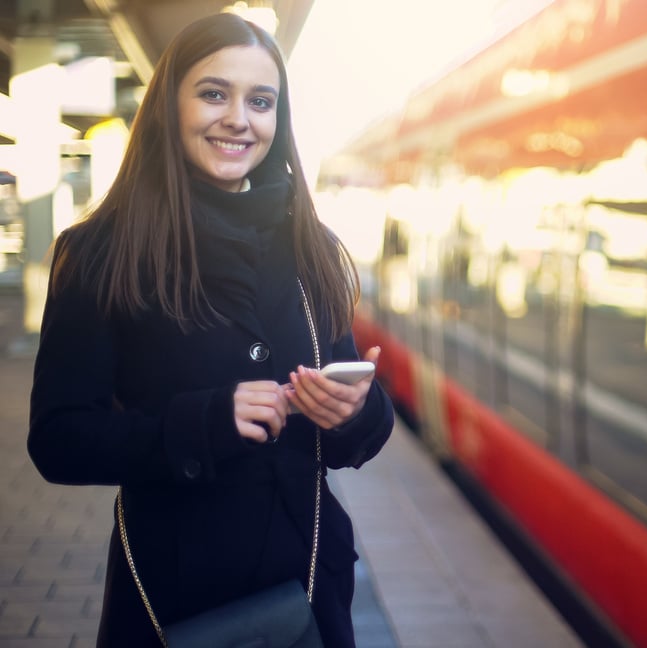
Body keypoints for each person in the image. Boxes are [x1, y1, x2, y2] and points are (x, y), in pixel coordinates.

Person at [26, 12, 393, 647]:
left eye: (261, 101)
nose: (238, 119)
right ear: (170, 105)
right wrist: (202, 424)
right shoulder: (98, 253)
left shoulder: (313, 248)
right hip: (174, 604)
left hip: (308, 599)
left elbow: (351, 440)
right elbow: (58, 440)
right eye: (213, 93)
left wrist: (353, 411)